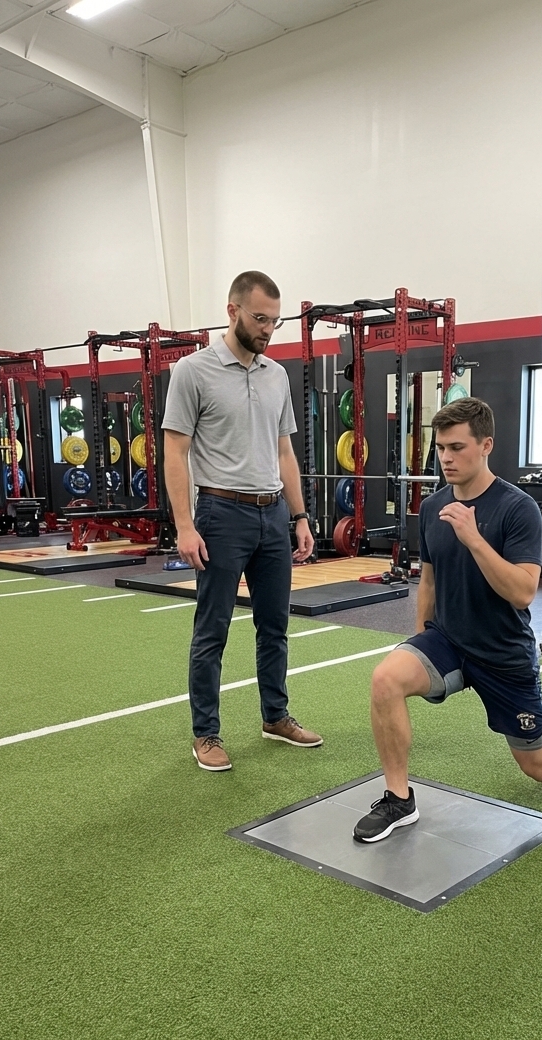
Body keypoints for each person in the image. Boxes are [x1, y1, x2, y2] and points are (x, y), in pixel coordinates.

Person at [353, 397, 542, 843]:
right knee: (386, 678)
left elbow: (522, 591)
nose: (446, 458)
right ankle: (399, 799)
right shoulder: (435, 507)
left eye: (457, 447)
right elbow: (430, 583)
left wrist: (474, 538)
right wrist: (421, 642)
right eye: (440, 448)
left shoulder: (518, 509)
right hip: (449, 641)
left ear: (486, 445)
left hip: (502, 652)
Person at [162, 270, 323, 772]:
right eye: (260, 318)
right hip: (219, 512)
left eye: (275, 321)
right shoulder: (193, 371)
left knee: (274, 625)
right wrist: (184, 526)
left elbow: (284, 452)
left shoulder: (276, 375)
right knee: (212, 630)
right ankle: (206, 734)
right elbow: (174, 450)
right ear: (232, 311)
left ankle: (275, 716)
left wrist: (300, 515)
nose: (268, 329)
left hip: (272, 513)